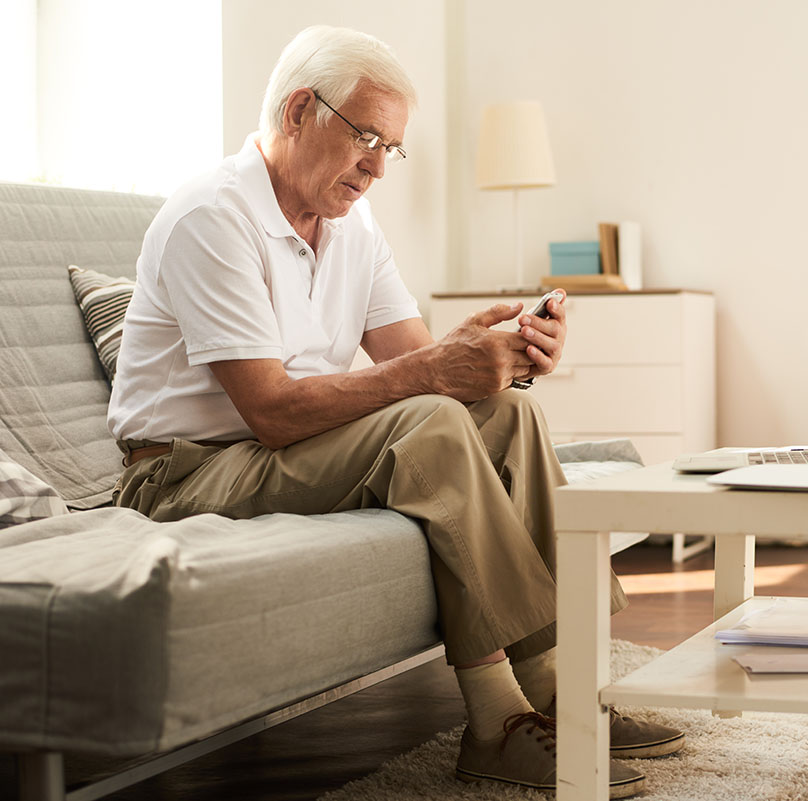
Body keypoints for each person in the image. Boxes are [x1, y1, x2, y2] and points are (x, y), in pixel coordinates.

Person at [106, 24, 682, 798]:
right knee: (436, 425)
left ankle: (562, 689)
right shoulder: (213, 217)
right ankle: (495, 721)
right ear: (299, 110)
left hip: (279, 449)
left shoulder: (352, 225)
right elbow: (273, 410)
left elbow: (421, 364)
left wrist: (501, 354)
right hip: (184, 471)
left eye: (391, 147)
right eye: (366, 137)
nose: (378, 166)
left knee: (513, 416)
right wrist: (438, 371)